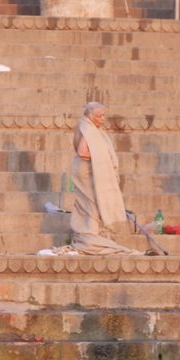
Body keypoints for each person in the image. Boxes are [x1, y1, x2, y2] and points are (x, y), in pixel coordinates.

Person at [64, 101, 139, 255]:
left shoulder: (93, 128)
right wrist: (101, 158)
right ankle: (89, 236)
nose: (103, 119)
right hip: (86, 171)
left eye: (104, 115)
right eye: (99, 116)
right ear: (90, 116)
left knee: (94, 203)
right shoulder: (87, 128)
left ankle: (93, 234)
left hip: (89, 170)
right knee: (90, 204)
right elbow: (82, 152)